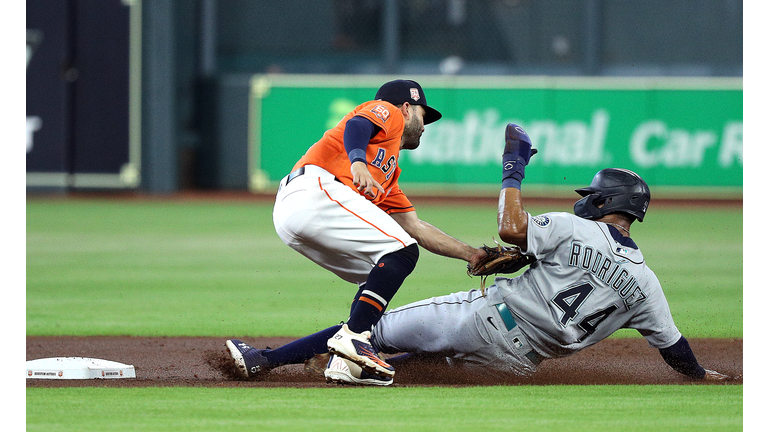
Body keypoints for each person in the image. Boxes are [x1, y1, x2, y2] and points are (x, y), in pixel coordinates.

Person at [226, 123, 732, 386]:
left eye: (590, 195)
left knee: (364, 331)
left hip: (485, 318)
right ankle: (356, 370)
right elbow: (674, 348)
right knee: (418, 369)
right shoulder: (647, 284)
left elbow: (513, 229)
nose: (583, 199)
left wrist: (513, 168)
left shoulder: (574, 228)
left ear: (603, 203)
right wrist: (700, 376)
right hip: (518, 363)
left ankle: (265, 361)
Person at [227, 79, 486, 379]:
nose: (425, 125)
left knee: (378, 278)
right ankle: (353, 340)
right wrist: (358, 162)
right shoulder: (388, 112)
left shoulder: (387, 173)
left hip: (297, 214)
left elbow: (415, 226)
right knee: (400, 252)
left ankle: (268, 359)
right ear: (406, 107)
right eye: (422, 114)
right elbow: (358, 126)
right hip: (315, 190)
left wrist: (472, 254)